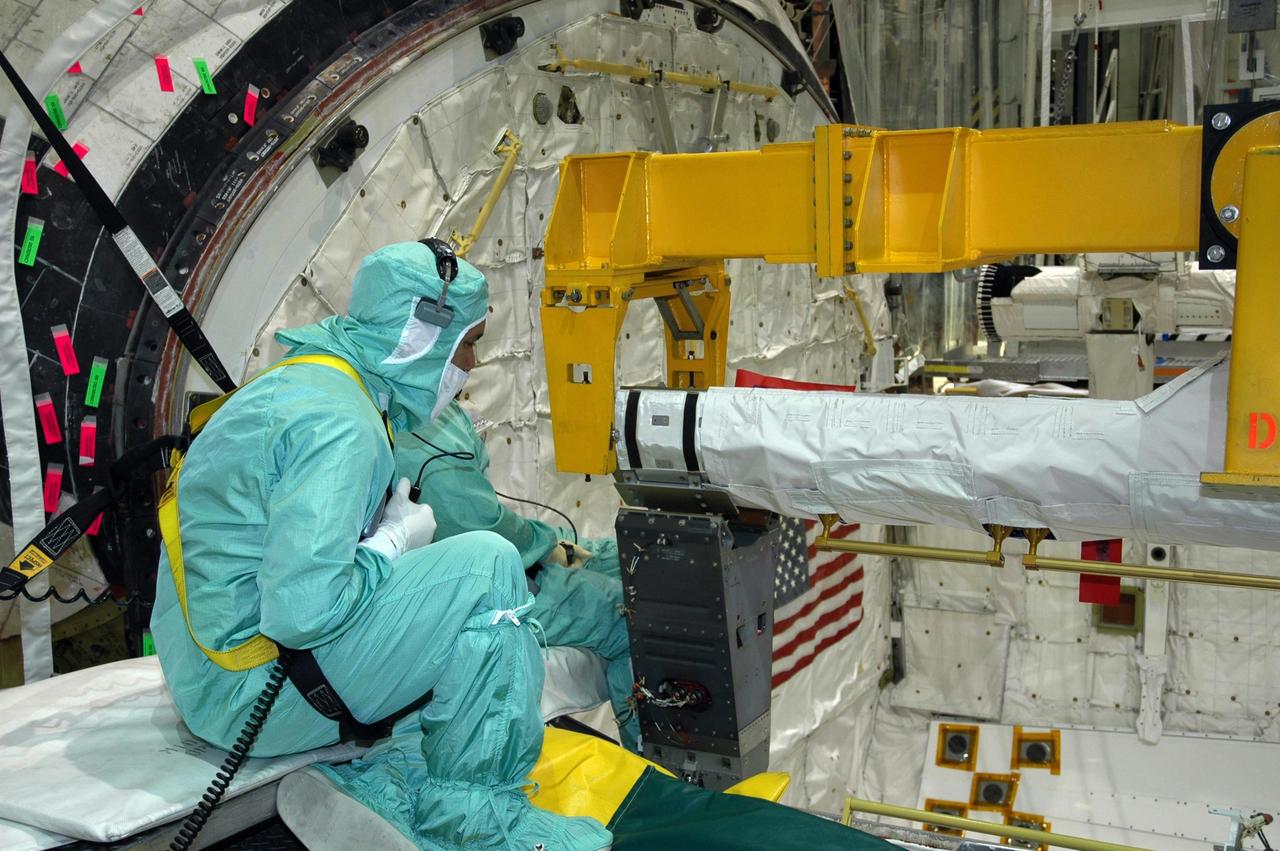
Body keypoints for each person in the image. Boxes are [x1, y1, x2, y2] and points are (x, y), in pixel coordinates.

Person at [151, 241, 611, 850]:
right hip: (251, 697)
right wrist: (391, 544)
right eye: (468, 341)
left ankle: (398, 782)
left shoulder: (305, 385)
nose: (471, 363)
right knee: (487, 565)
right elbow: (302, 611)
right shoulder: (342, 424)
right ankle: (476, 822)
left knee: (442, 585)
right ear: (421, 334)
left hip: (210, 678)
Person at [397, 399, 640, 752]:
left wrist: (551, 544)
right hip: (497, 585)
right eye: (468, 344)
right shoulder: (427, 451)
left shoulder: (427, 414)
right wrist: (545, 545)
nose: (470, 360)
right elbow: (480, 525)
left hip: (507, 562)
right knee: (634, 620)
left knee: (622, 559)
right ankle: (651, 756)